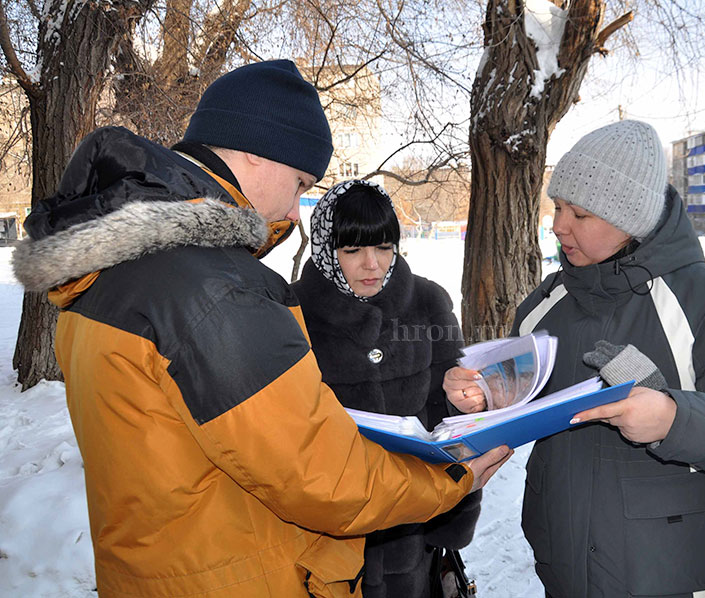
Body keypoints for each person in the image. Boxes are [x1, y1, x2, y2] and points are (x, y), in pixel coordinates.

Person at [11, 60, 510, 598]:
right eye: (299, 183)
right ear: (254, 148)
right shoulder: (210, 285)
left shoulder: (115, 268)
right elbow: (322, 476)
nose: (295, 212)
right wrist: (452, 480)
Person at [444, 120, 705, 597]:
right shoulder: (544, 307)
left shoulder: (703, 299)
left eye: (581, 214)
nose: (558, 225)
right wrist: (477, 399)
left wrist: (675, 419)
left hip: (679, 581)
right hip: (566, 573)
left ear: (631, 220)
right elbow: (507, 403)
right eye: (557, 206)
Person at [291, 179, 480, 598]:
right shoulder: (293, 313)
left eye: (383, 247)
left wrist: (459, 400)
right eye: (353, 250)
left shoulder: (428, 302)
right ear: (326, 249)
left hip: (412, 531)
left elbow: (452, 422)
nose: (372, 265)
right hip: (325, 537)